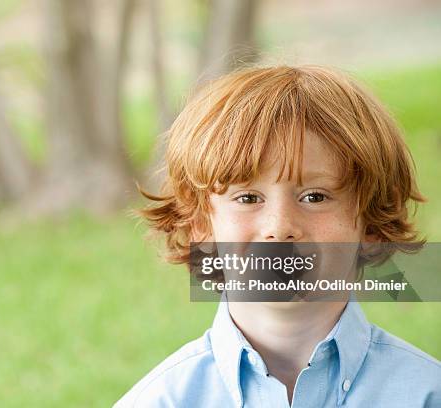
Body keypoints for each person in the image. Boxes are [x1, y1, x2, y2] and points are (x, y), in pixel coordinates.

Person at [115, 66, 441, 407]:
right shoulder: (160, 400)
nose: (280, 225)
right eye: (248, 198)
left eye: (314, 197)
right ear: (201, 226)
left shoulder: (426, 394)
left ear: (371, 226)